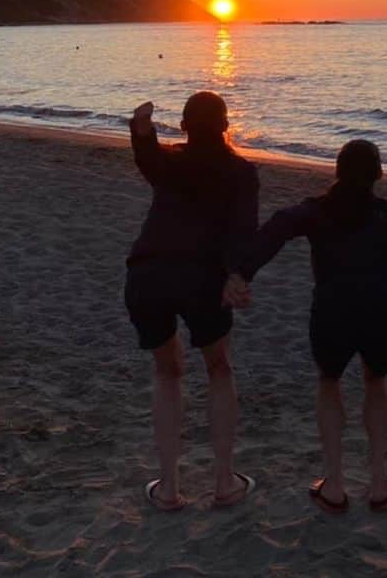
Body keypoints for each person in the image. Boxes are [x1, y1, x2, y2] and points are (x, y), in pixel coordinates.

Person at [226, 140, 387, 514]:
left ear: (337, 171)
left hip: (333, 312)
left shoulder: (316, 211)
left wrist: (242, 272)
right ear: (379, 175)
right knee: (375, 382)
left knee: (329, 382)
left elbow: (275, 229)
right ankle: (378, 483)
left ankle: (334, 484)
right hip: (384, 313)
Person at [124, 93, 258, 511]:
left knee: (167, 373)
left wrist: (142, 128)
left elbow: (148, 157)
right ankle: (223, 482)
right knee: (218, 368)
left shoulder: (171, 164)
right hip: (202, 279)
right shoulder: (240, 172)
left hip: (149, 275)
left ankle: (168, 487)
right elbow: (244, 231)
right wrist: (237, 275)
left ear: (183, 126)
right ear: (225, 125)